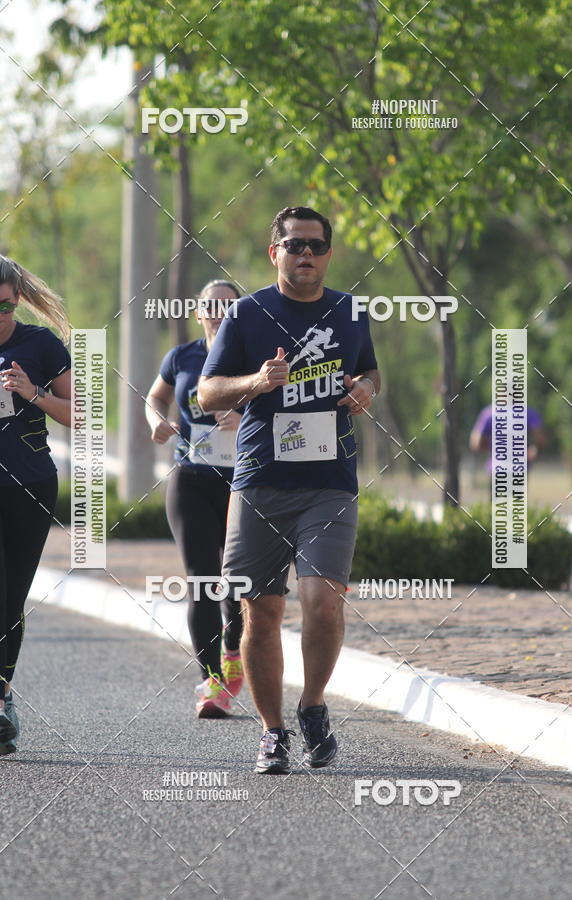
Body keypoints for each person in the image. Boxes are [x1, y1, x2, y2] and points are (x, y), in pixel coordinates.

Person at [199, 206, 380, 773]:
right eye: (295, 245)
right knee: (262, 611)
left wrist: (366, 390)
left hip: (330, 482)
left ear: (329, 254)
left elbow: (370, 370)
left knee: (324, 604)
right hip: (261, 481)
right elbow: (207, 393)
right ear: (273, 252)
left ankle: (313, 706)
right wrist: (256, 381)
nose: (307, 254)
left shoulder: (350, 311)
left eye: (317, 246)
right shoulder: (246, 314)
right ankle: (272, 731)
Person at [146, 280, 244, 718]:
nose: (220, 314)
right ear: (198, 313)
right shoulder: (181, 357)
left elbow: (280, 410)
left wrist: (243, 417)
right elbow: (155, 397)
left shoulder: (253, 359)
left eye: (229, 307)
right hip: (190, 480)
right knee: (202, 581)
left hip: (243, 482)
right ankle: (212, 683)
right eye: (211, 307)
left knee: (238, 582)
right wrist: (156, 419)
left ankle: (233, 649)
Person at [0, 256, 72, 756]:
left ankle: (3, 697)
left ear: (19, 300)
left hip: (28, 486)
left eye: (5, 307)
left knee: (9, 598)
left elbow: (82, 413)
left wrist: (34, 392)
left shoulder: (41, 344)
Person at [470, 404, 546, 471]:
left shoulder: (489, 413)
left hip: (497, 467)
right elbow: (540, 440)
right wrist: (532, 451)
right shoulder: (528, 413)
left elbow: (476, 443)